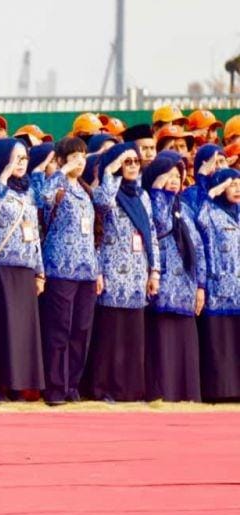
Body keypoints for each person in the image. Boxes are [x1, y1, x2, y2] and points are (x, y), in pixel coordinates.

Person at [0, 138, 45, 398]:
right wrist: (3, 178)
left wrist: (40, 272)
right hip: (0, 267)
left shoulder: (27, 191)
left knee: (22, 331)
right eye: (15, 159)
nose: (20, 164)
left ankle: (18, 385)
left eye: (24, 159)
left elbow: (34, 232)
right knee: (1, 329)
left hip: (25, 269)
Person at [90, 143, 160, 402]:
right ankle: (105, 388)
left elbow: (150, 233)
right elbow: (102, 205)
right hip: (111, 272)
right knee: (111, 335)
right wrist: (110, 171)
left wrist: (155, 272)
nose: (131, 166)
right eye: (125, 161)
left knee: (133, 336)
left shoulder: (141, 196)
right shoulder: (107, 190)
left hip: (137, 274)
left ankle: (131, 390)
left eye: (134, 161)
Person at [36, 136, 100, 404]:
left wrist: (97, 270)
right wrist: (61, 171)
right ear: (61, 160)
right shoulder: (56, 185)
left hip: (86, 269)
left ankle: (72, 384)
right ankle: (55, 386)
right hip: (61, 267)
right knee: (59, 329)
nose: (80, 163)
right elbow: (43, 198)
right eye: (74, 157)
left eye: (83, 157)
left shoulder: (85, 191)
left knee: (81, 330)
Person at [142, 152, 204, 402]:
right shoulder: (151, 201)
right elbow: (159, 223)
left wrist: (201, 285)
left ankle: (187, 395)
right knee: (163, 346)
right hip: (164, 288)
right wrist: (158, 191)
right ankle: (163, 395)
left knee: (185, 348)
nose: (175, 180)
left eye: (178, 176)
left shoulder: (185, 209)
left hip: (186, 289)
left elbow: (198, 248)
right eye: (168, 175)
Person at [196, 168, 240, 401]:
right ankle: (223, 392)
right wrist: (213, 191)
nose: (237, 189)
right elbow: (199, 220)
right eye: (232, 184)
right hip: (219, 288)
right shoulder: (210, 211)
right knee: (222, 342)